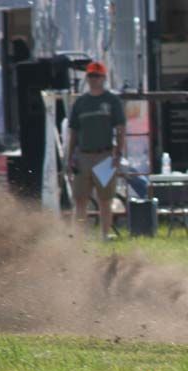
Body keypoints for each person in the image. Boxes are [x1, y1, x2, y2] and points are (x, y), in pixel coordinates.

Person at [67, 61, 126, 240]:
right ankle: (80, 237)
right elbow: (74, 132)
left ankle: (105, 235)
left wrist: (118, 154)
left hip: (105, 155)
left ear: (104, 78)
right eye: (91, 75)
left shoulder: (111, 100)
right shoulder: (81, 102)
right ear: (87, 77)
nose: (94, 79)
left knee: (105, 199)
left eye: (97, 76)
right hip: (84, 155)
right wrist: (70, 157)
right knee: (80, 199)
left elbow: (120, 128)